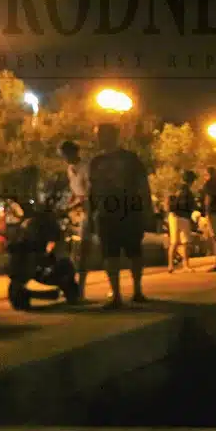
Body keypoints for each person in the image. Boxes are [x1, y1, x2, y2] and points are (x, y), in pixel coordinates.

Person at [88, 122, 152, 308]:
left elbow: (143, 185)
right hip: (106, 213)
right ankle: (116, 294)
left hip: (129, 210)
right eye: (98, 135)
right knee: (110, 254)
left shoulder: (130, 159)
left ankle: (137, 290)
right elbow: (93, 189)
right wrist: (91, 212)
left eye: (102, 134)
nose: (99, 138)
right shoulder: (96, 162)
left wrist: (147, 210)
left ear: (113, 135)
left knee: (134, 252)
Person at [60, 140, 92, 294]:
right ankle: (72, 285)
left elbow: (87, 195)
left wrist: (72, 206)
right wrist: (68, 203)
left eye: (66, 154)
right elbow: (75, 191)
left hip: (89, 212)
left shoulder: (86, 168)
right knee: (73, 251)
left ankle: (81, 288)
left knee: (83, 251)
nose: (65, 158)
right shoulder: (70, 169)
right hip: (76, 214)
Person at [167, 170, 197, 273]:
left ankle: (170, 266)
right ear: (191, 180)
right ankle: (186, 266)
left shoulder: (176, 188)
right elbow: (191, 205)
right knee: (185, 242)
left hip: (173, 216)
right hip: (183, 216)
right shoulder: (187, 191)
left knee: (174, 242)